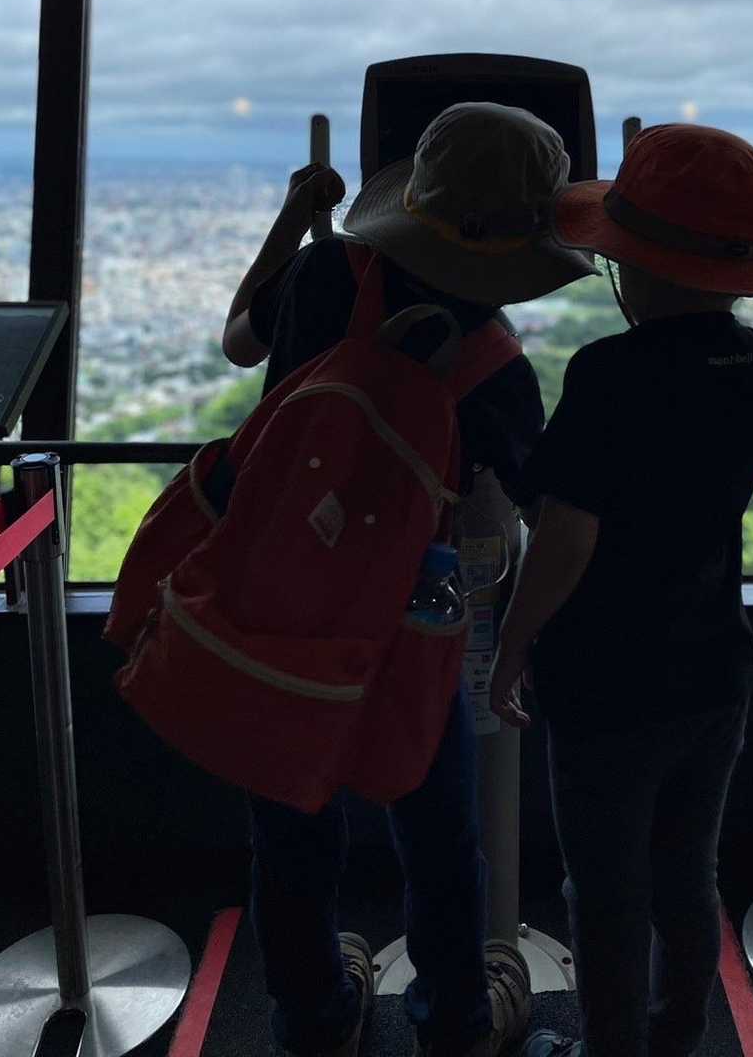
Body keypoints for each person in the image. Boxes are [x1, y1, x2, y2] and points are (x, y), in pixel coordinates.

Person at [222, 102, 596, 1057]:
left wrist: (295, 213)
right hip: (409, 617)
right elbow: (539, 508)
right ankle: (456, 1021)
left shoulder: (321, 274)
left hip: (278, 596)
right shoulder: (493, 359)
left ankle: (313, 1013)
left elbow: (238, 341)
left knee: (291, 824)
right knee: (438, 835)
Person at [487, 124, 753, 1057]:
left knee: (605, 889)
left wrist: (511, 647)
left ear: (633, 266)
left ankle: (612, 1047)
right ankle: (677, 1036)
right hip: (715, 665)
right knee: (686, 875)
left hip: (607, 681)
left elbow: (567, 534)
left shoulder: (609, 372)